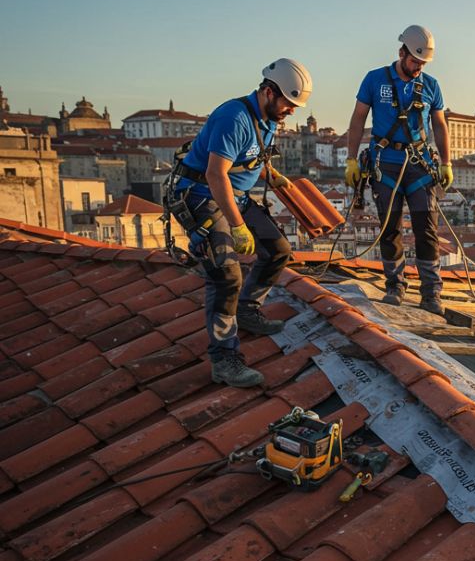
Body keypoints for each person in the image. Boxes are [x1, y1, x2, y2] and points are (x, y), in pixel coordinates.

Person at [169, 58, 311, 388]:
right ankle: (225, 359)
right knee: (226, 275)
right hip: (203, 195)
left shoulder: (269, 118)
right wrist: (236, 225)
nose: (290, 111)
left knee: (278, 250)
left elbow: (249, 158)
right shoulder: (234, 118)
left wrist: (272, 176)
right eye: (288, 104)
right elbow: (215, 173)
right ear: (268, 92)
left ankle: (246, 309)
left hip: (236, 195)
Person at [343, 24, 452, 315]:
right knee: (389, 227)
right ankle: (395, 285)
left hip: (418, 164)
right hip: (386, 163)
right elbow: (357, 119)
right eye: (415, 61)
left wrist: (446, 162)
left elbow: (439, 125)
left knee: (425, 229)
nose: (418, 67)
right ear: (401, 52)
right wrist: (351, 159)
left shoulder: (431, 85)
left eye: (422, 63)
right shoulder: (374, 79)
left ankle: (431, 293)